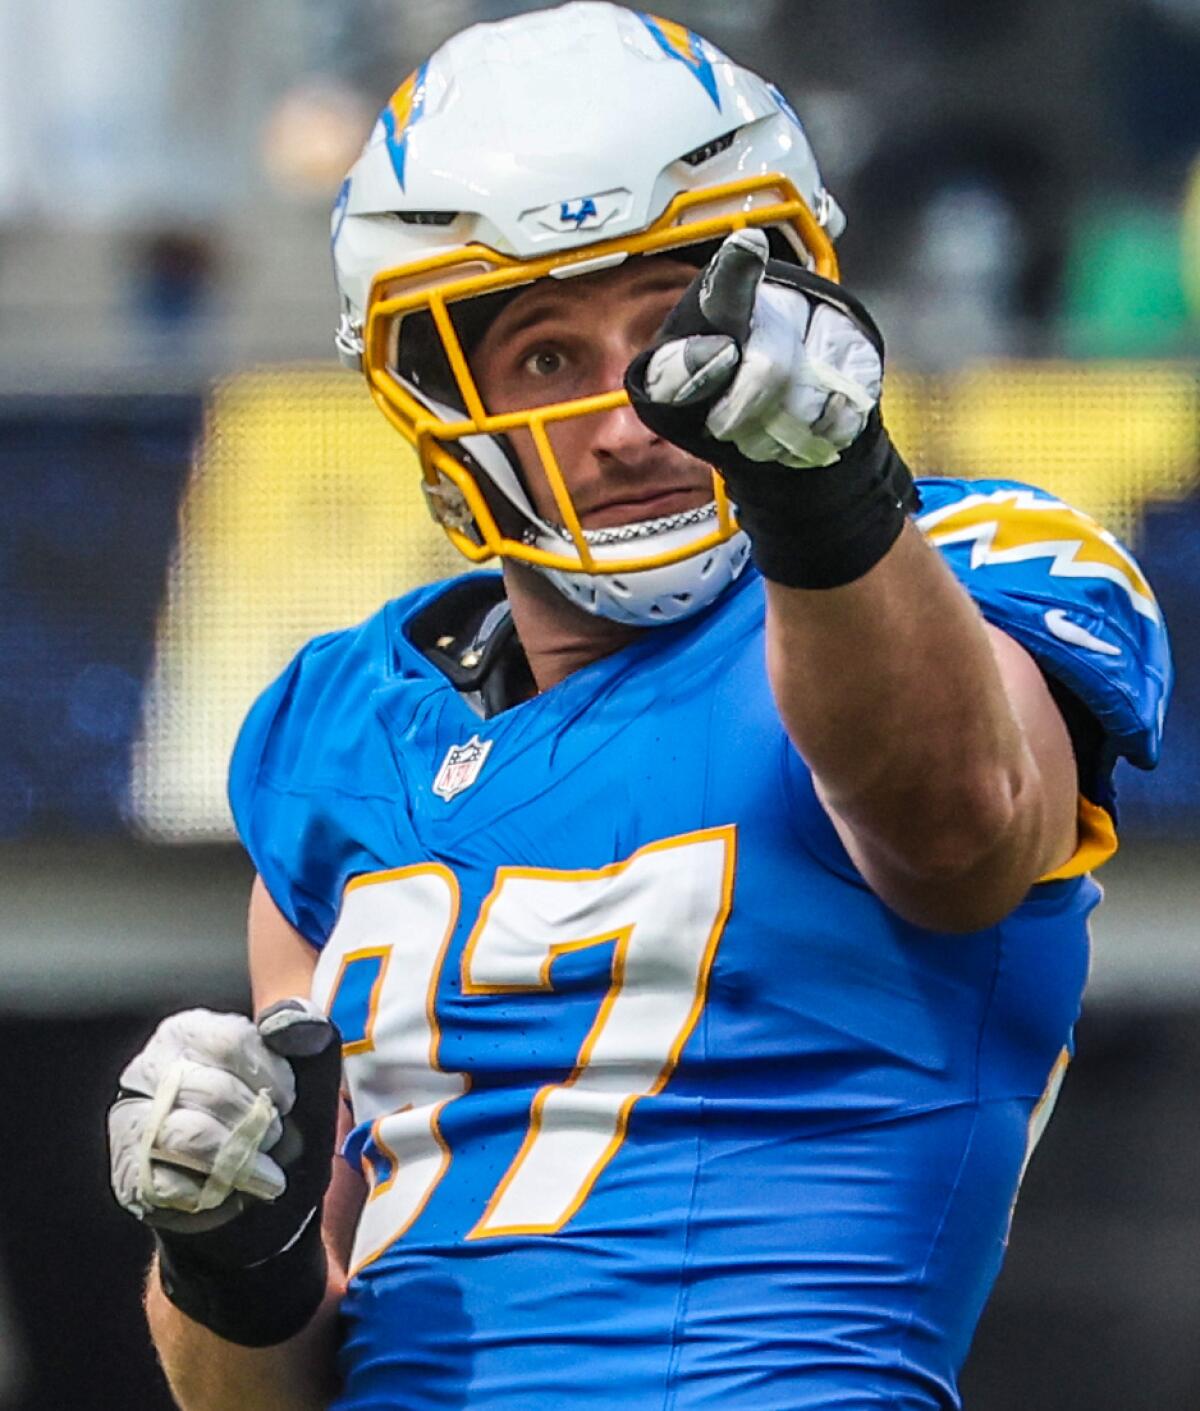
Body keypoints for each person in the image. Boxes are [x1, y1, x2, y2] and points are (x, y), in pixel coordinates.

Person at [107, 5, 1172, 1409]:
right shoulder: (342, 727)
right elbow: (253, 1398)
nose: (632, 415)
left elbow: (964, 830)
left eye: (673, 327)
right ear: (441, 400)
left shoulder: (958, 579)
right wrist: (232, 1252)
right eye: (547, 357)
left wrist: (829, 494)